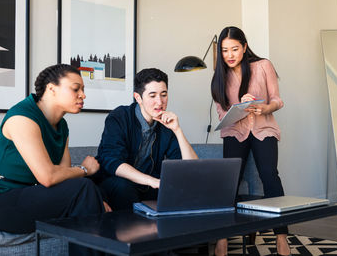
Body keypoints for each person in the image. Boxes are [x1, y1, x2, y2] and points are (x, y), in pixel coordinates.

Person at [0, 64, 108, 256]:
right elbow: (48, 177)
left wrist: (97, 198)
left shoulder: (61, 125)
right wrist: (85, 169)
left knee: (105, 189)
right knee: (84, 188)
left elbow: (64, 174)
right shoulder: (22, 117)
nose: (83, 95)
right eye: (75, 88)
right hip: (3, 201)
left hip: (33, 195)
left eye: (83, 90)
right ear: (51, 89)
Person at [211, 26, 291, 256]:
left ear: (244, 47)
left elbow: (277, 99)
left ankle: (281, 237)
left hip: (262, 128)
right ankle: (222, 238)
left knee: (270, 176)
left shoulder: (263, 65)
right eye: (225, 50)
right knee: (229, 182)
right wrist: (240, 107)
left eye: (235, 49)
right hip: (235, 131)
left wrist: (264, 107)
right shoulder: (218, 79)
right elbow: (222, 118)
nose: (230, 55)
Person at [96, 68, 198, 211]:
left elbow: (192, 168)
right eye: (152, 96)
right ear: (138, 98)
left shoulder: (165, 125)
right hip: (115, 183)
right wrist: (153, 181)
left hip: (147, 187)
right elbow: (112, 162)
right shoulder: (120, 117)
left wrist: (177, 130)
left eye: (164, 95)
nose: (160, 102)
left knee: (185, 188)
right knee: (124, 187)